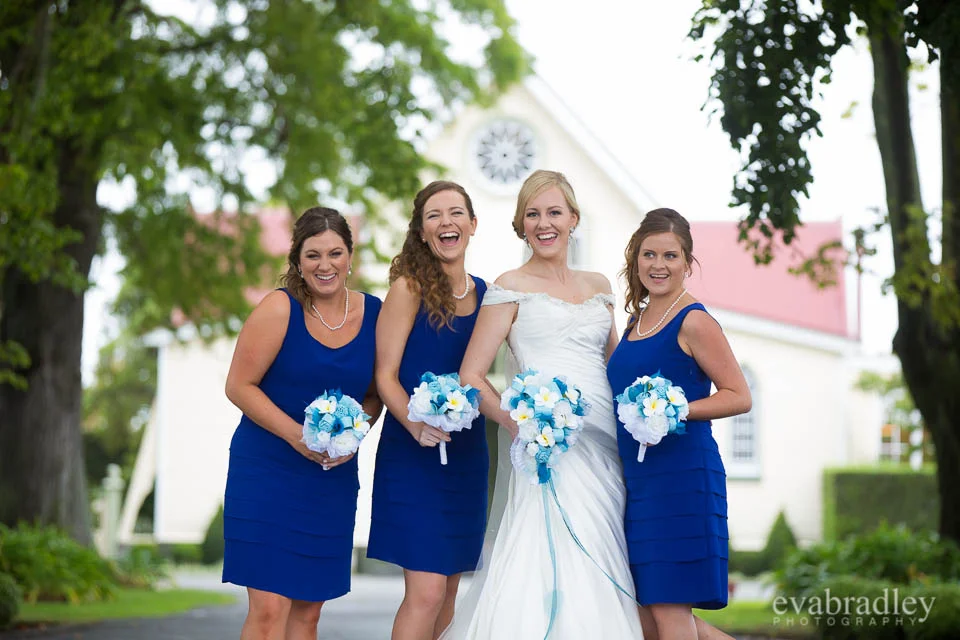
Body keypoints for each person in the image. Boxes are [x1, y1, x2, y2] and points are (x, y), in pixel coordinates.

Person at [444, 169, 645, 638]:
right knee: (548, 559)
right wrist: (519, 423)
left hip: (605, 449)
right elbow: (470, 375)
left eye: (554, 212)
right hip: (548, 452)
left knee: (607, 553)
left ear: (573, 218)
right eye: (532, 214)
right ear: (521, 225)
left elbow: (615, 366)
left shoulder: (599, 286)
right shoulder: (510, 286)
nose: (544, 223)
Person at [221, 207, 383, 640]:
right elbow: (238, 385)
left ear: (350, 256)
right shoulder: (279, 308)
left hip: (330, 478)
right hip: (266, 471)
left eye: (334, 253)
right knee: (269, 609)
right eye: (313, 255)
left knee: (308, 613)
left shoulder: (375, 314)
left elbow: (374, 394)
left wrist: (354, 436)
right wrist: (297, 436)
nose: (324, 265)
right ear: (297, 260)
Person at [606, 207, 751, 640]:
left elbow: (738, 395)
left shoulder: (694, 320)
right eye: (649, 254)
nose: (659, 265)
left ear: (687, 262)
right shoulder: (636, 322)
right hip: (639, 482)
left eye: (670, 256)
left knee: (669, 612)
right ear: (635, 259)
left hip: (681, 478)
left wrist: (674, 410)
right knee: (650, 614)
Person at [367, 181, 489, 640]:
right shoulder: (408, 289)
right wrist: (415, 424)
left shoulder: (488, 294)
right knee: (427, 592)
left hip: (466, 458)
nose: (446, 223)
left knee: (449, 592)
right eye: (434, 215)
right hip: (412, 454)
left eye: (456, 213)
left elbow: (484, 374)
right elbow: (385, 375)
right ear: (421, 231)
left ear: (472, 224)